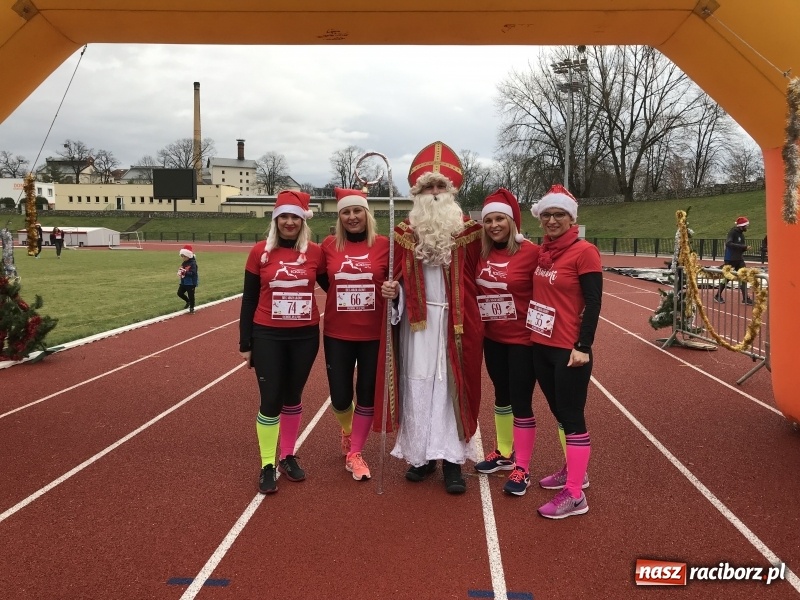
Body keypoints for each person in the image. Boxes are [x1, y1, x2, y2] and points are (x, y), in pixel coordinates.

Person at [380, 141, 483, 495]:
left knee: (451, 389)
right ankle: (421, 458)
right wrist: (394, 294)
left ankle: (453, 462)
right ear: (418, 192)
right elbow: (397, 278)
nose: (435, 193)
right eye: (428, 187)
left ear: (451, 191)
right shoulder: (404, 234)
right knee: (418, 386)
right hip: (417, 326)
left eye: (441, 186)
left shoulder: (470, 232)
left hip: (455, 325)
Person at [239, 190, 323, 495]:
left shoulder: (315, 252)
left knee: (293, 396)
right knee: (271, 399)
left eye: (295, 217)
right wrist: (245, 342)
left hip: (305, 336)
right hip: (267, 335)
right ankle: (266, 464)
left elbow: (335, 285)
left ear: (303, 220)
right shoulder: (260, 252)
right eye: (284, 217)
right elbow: (248, 298)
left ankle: (287, 456)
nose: (289, 222)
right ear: (276, 220)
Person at [529, 184, 602, 519]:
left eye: (559, 214)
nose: (552, 220)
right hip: (541, 344)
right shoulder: (544, 252)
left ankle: (575, 495)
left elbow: (595, 301)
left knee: (572, 418)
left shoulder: (584, 251)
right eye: (547, 214)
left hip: (569, 349)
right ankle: (575, 473)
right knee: (559, 413)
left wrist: (583, 346)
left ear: (571, 218)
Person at [319, 187, 390, 481]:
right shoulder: (328, 245)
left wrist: (392, 290)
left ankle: (355, 452)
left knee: (367, 395)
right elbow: (325, 280)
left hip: (373, 333)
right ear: (339, 217)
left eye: (357, 211)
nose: (352, 217)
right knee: (339, 396)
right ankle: (347, 430)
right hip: (338, 332)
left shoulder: (386, 245)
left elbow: (397, 281)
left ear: (367, 214)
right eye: (346, 212)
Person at [473, 188, 541, 496]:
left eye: (500, 219)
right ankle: (503, 452)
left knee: (522, 400)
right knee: (501, 396)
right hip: (493, 338)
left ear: (512, 221)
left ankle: (523, 468)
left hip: (523, 340)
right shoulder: (482, 252)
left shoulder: (531, 252)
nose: (494, 225)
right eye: (488, 220)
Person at [714, 216, 752, 304]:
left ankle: (745, 298)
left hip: (739, 259)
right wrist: (743, 247)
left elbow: (739, 247)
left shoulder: (741, 235)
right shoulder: (732, 232)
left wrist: (744, 248)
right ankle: (717, 295)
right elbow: (729, 243)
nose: (747, 227)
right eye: (746, 225)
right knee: (728, 277)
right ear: (741, 226)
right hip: (730, 259)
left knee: (744, 276)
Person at [177, 244, 198, 314]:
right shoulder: (184, 263)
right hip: (184, 281)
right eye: (182, 256)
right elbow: (182, 269)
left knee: (191, 295)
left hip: (191, 282)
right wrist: (180, 272)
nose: (182, 258)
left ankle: (192, 308)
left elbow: (193, 273)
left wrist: (185, 272)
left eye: (184, 256)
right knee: (179, 293)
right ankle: (188, 301)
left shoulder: (193, 263)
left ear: (188, 256)